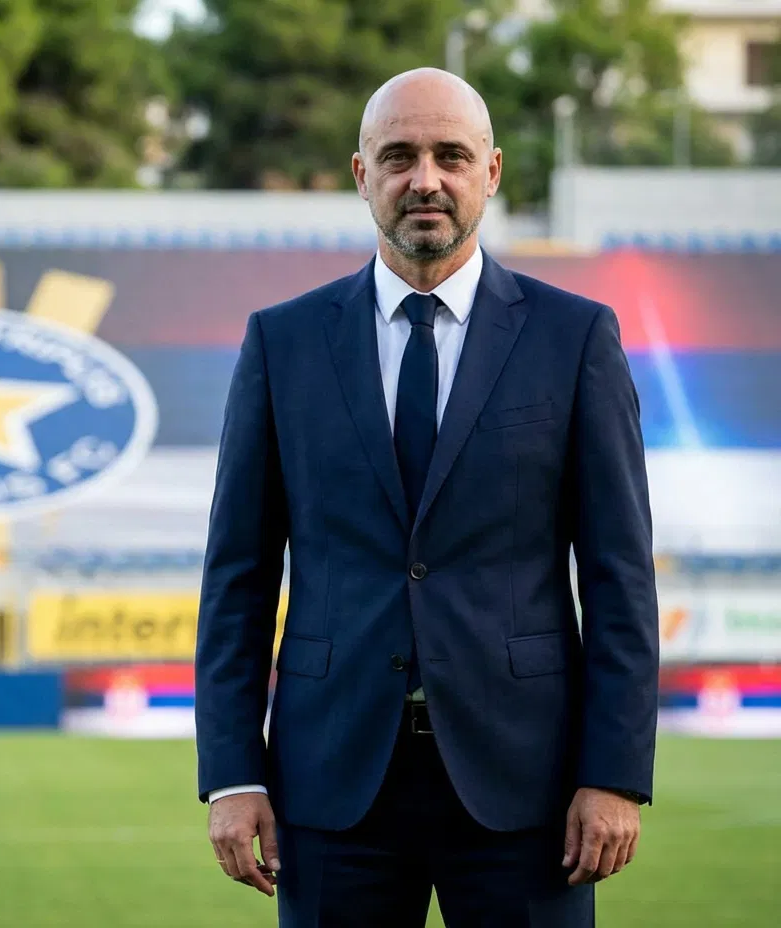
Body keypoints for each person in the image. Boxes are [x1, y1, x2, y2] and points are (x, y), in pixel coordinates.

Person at [193, 68, 659, 927]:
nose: (426, 179)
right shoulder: (283, 342)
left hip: (529, 789)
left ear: (492, 172)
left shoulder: (575, 337)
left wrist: (615, 771)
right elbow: (239, 577)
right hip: (332, 786)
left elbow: (620, 575)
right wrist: (232, 772)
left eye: (451, 155)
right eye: (399, 155)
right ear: (362, 174)